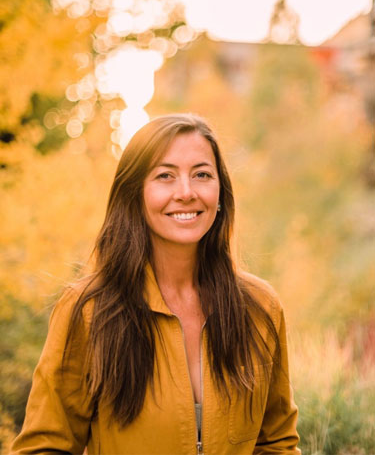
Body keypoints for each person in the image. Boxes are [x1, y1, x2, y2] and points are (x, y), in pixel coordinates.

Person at [11, 113, 300, 454]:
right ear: (135, 194)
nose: (186, 192)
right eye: (165, 176)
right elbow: (44, 447)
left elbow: (277, 444)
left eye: (202, 175)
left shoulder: (260, 308)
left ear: (220, 192)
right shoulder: (87, 311)